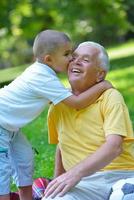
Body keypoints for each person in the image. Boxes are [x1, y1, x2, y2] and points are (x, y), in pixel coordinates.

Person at [0, 30, 111, 200]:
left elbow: (60, 96)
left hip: (10, 128)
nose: (71, 59)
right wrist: (103, 86)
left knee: (25, 159)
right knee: (2, 171)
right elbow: (77, 102)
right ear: (49, 59)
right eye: (67, 54)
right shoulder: (42, 77)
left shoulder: (43, 74)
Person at [42, 41, 134, 200]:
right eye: (74, 57)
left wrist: (74, 173)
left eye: (85, 59)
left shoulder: (110, 97)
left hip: (119, 175)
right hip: (82, 183)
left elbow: (114, 147)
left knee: (123, 196)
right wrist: (57, 181)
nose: (76, 61)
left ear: (100, 74)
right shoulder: (59, 104)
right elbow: (62, 144)